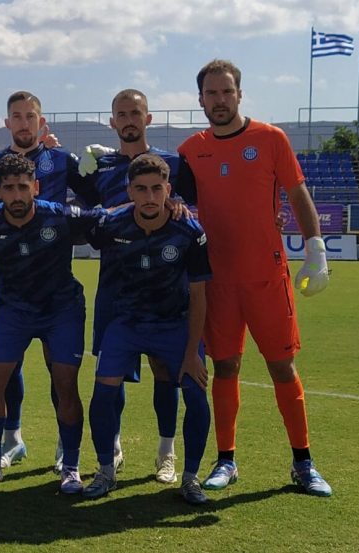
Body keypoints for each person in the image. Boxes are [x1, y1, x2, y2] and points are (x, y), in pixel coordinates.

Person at [174, 59, 332, 497]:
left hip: (266, 276)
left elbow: (297, 192)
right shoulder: (189, 150)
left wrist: (316, 249)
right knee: (226, 366)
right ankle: (226, 459)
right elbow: (162, 192)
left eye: (227, 91)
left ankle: (303, 462)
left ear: (239, 94)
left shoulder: (270, 138)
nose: (219, 100)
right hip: (217, 281)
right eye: (211, 93)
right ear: (200, 99)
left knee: (282, 367)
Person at [0, 154, 104, 493]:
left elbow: (105, 217)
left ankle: (70, 467)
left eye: (23, 187)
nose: (16, 195)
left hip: (61, 309)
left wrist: (170, 206)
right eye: (9, 188)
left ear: (36, 187)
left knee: (65, 383)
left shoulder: (59, 215)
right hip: (13, 310)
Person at [82, 154, 211, 503]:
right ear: (130, 191)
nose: (150, 196)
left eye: (157, 188)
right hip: (126, 323)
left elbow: (199, 295)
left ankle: (190, 478)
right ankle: (106, 470)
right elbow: (77, 224)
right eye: (141, 189)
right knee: (103, 393)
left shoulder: (189, 231)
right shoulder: (112, 224)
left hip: (173, 324)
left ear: (169, 190)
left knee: (196, 394)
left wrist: (192, 353)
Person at [0, 91, 93, 470]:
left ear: (41, 123)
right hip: (10, 282)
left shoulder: (62, 160)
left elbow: (93, 201)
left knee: (59, 370)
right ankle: (12, 439)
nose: (24, 123)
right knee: (5, 367)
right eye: (17, 116)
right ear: (7, 122)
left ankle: (65, 446)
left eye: (30, 116)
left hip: (55, 280)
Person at [76, 89, 186, 484]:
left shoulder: (173, 163)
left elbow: (189, 209)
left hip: (164, 285)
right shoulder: (101, 167)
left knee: (165, 371)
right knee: (112, 368)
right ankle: (114, 448)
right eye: (121, 114)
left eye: (135, 113)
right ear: (112, 122)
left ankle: (166, 452)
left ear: (148, 118)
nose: (128, 120)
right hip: (116, 284)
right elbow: (87, 217)